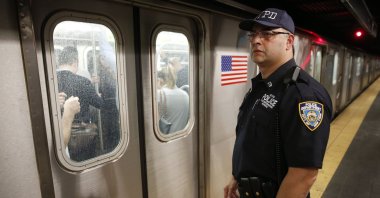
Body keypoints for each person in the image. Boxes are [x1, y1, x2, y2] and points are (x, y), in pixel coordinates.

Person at [224, 8, 332, 198]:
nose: (256, 40)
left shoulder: (303, 96)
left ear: (289, 41)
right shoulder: (260, 86)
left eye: (267, 34)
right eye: (253, 34)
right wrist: (237, 176)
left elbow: (304, 174)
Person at [57, 46, 103, 161]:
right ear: (75, 62)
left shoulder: (49, 80)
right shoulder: (83, 82)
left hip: (58, 133)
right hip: (82, 136)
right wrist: (98, 93)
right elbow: (99, 104)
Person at [157, 65, 189, 133]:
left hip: (166, 140)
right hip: (181, 138)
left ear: (159, 80)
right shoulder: (185, 95)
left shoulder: (160, 94)